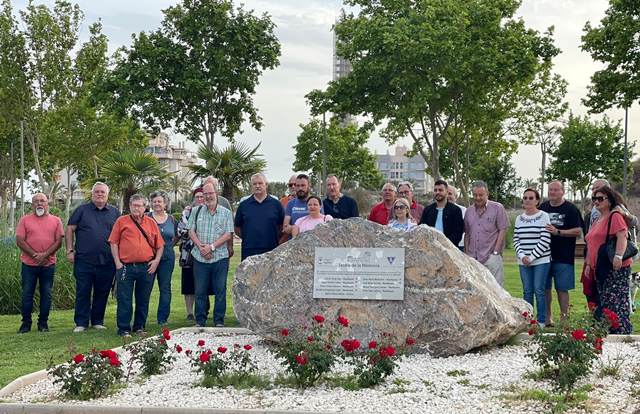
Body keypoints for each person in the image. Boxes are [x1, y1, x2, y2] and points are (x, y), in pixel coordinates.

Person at [66, 182, 121, 332]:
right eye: (97, 192)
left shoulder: (115, 213)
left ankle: (97, 320)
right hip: (84, 260)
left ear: (107, 195)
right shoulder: (81, 210)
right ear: (92, 193)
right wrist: (70, 250)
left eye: (102, 192)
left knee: (102, 292)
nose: (99, 194)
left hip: (107, 260)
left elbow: (121, 234)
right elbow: (70, 229)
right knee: (83, 291)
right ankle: (81, 323)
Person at [109, 194, 164, 337]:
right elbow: (113, 242)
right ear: (129, 206)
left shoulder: (151, 223)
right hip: (126, 266)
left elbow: (160, 245)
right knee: (125, 298)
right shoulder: (122, 221)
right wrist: (117, 263)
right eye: (133, 205)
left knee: (143, 298)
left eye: (139, 205)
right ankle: (124, 329)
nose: (136, 208)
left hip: (146, 267)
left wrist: (156, 261)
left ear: (145, 207)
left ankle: (139, 326)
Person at [584, 186, 633, 334]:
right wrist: (588, 264)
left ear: (610, 200)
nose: (596, 202)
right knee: (605, 301)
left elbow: (622, 236)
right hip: (600, 267)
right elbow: (591, 243)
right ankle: (610, 331)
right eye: (594, 199)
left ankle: (622, 333)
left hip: (615, 266)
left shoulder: (615, 216)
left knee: (617, 301)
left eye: (600, 198)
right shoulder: (598, 219)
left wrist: (618, 256)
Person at [187, 183, 234, 327]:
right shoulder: (196, 211)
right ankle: (200, 321)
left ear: (216, 193)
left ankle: (219, 320)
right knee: (200, 290)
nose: (208, 196)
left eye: (210, 193)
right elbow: (190, 230)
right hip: (200, 257)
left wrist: (211, 248)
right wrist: (201, 247)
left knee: (220, 290)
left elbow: (228, 234)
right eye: (205, 193)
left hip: (220, 257)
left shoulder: (226, 212)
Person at [15, 193, 64, 333]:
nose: (39, 203)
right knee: (27, 294)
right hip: (28, 265)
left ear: (47, 203)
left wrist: (44, 255)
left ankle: (43, 323)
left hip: (48, 265)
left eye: (42, 201)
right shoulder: (24, 220)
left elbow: (58, 242)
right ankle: (26, 324)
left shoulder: (56, 220)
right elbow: (19, 240)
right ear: (32, 204)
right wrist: (35, 255)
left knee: (46, 294)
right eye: (36, 201)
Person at [539, 180, 583, 326]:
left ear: (563, 191)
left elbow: (578, 231)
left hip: (564, 256)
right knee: (545, 288)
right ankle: (547, 318)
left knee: (562, 289)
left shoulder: (571, 209)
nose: (552, 192)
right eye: (550, 190)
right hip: (544, 255)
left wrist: (558, 232)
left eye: (556, 190)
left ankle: (564, 320)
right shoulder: (542, 208)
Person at [513, 188, 552, 327]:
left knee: (539, 290)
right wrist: (523, 256)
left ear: (537, 200)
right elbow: (516, 239)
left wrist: (532, 257)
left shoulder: (544, 216)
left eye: (531, 198)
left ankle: (541, 322)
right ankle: (528, 321)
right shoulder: (519, 218)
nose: (527, 200)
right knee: (527, 291)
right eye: (525, 198)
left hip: (541, 260)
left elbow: (545, 239)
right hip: (523, 261)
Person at [464, 180, 509, 286]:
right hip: (473, 260)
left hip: (491, 258)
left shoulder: (497, 208)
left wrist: (496, 253)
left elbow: (503, 229)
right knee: (475, 292)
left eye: (481, 195)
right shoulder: (469, 211)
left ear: (487, 194)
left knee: (497, 291)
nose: (478, 198)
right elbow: (467, 234)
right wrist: (467, 255)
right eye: (475, 195)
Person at [235, 173, 285, 260]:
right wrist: (248, 237)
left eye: (260, 183)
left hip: (271, 250)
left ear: (266, 185)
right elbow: (237, 228)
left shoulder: (276, 204)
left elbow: (282, 226)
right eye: (254, 184)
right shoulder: (244, 205)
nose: (257, 186)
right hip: (249, 251)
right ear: (251, 186)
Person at [148, 191, 178, 325]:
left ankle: (162, 319)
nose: (156, 204)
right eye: (154, 201)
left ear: (165, 203)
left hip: (167, 258)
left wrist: (168, 246)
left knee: (165, 288)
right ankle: (141, 318)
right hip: (148, 258)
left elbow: (176, 236)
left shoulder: (171, 219)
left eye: (159, 201)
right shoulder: (146, 217)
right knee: (145, 288)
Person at [178, 188, 204, 321]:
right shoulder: (187, 212)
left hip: (205, 252)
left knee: (202, 282)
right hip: (188, 253)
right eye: (197, 196)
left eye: (202, 196)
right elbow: (181, 231)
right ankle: (189, 312)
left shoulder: (209, 211)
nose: (200, 199)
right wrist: (196, 235)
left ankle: (202, 311)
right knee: (188, 283)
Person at [420, 179, 464, 245]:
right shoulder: (427, 210)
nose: (437, 192)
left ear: (446, 192)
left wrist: (444, 245)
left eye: (440, 190)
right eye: (435, 190)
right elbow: (422, 228)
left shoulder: (455, 210)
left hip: (450, 249)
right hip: (430, 249)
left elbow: (458, 233)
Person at [447, 186, 467, 252]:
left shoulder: (464, 210)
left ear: (456, 197)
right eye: (446, 193)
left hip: (460, 247)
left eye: (450, 194)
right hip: (443, 245)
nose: (447, 196)